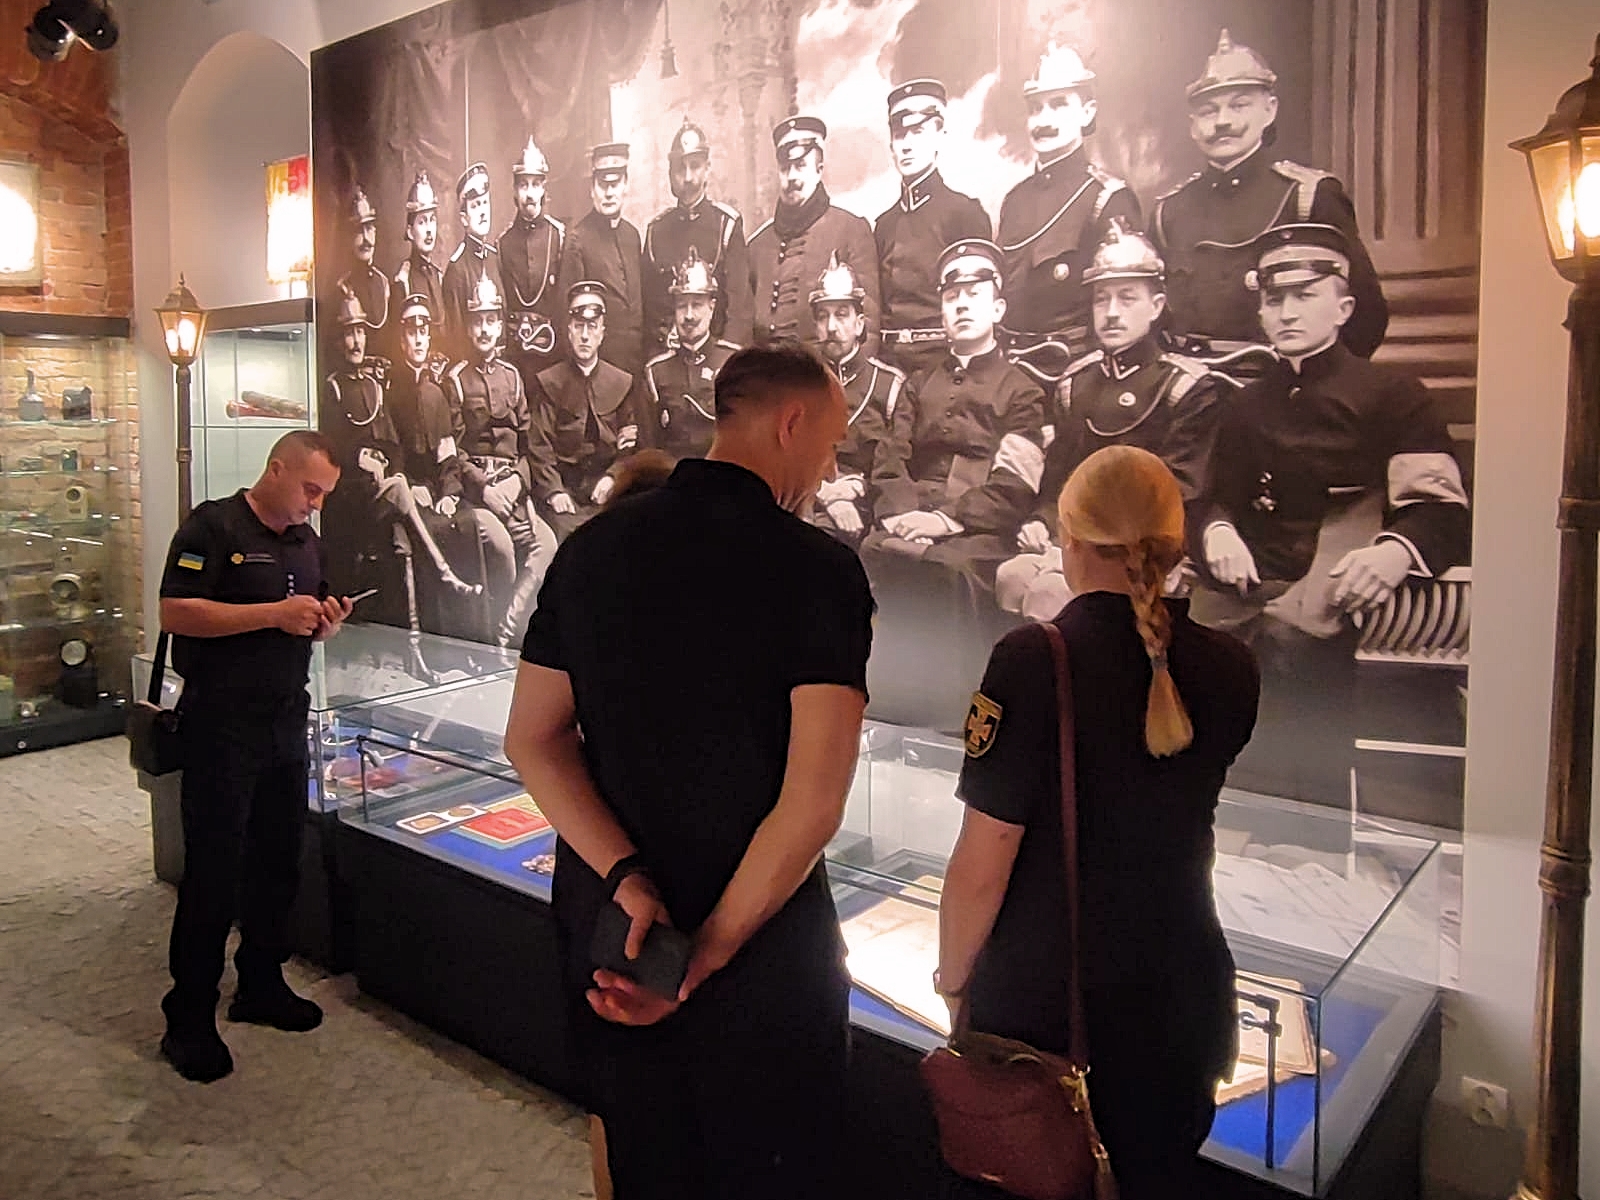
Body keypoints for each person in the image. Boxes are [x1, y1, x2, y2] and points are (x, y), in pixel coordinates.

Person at [503, 343, 873, 1199]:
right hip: (762, 949)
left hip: (621, 934)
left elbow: (533, 739)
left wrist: (626, 874)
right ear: (792, 423)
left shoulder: (589, 551)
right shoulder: (818, 570)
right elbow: (812, 804)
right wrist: (704, 958)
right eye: (831, 442)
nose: (830, 466)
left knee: (643, 1159)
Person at [937, 445, 1259, 1200]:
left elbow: (984, 862)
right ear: (1175, 545)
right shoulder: (1233, 667)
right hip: (1182, 1000)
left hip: (1049, 1010)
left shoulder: (1030, 660)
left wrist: (952, 981)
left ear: (1070, 540)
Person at [1189, 222, 1468, 804]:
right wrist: (1217, 531)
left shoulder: (1393, 394)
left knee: (1288, 645)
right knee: (1184, 643)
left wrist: (1394, 553)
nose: (1287, 312)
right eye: (1274, 300)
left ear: (1343, 308)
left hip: (1341, 572)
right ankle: (1213, 823)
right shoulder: (1245, 404)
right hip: (1250, 578)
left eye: (1305, 296)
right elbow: (1215, 496)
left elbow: (1438, 509)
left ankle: (1305, 833)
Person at [156, 430, 355, 1083]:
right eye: (311, 489)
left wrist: (323, 623)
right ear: (276, 470)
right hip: (221, 724)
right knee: (213, 873)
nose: (315, 504)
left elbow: (302, 615)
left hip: (285, 720)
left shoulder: (306, 541)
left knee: (278, 862)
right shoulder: (212, 526)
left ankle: (260, 983)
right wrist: (272, 615)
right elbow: (176, 612)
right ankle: (188, 1017)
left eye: (324, 494)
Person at [996, 223, 1224, 621]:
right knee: (1010, 577)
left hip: (1148, 547)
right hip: (1079, 538)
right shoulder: (1075, 384)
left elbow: (1181, 493)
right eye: (1102, 300)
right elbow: (1059, 477)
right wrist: (1041, 521)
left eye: (1127, 298)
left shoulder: (1184, 387)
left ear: (1156, 306)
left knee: (1052, 593)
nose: (1112, 312)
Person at [1152, 29, 1388, 360]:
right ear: (1193, 126)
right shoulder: (1168, 212)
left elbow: (1366, 317)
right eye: (1208, 111)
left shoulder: (1307, 197)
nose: (1222, 121)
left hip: (1279, 384)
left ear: (1269, 110)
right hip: (1186, 383)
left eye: (1239, 106)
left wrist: (1312, 383)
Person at [997, 44, 1139, 362]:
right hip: (1011, 371)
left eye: (1059, 104)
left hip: (1075, 369)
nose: (1043, 120)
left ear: (1087, 112)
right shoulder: (1015, 202)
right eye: (1035, 108)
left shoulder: (1108, 198)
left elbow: (1124, 312)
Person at [446, 273, 559, 646]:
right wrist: (484, 489)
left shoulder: (513, 377)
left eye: (491, 320)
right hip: (476, 496)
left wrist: (517, 481)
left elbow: (529, 446)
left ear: (499, 326)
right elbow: (453, 452)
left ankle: (506, 635)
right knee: (501, 548)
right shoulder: (456, 380)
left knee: (546, 546)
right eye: (478, 321)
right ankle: (494, 637)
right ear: (469, 327)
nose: (484, 329)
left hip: (513, 490)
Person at [873, 79, 992, 377]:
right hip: (890, 366)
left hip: (945, 366)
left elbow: (979, 304)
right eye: (900, 135)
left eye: (918, 132)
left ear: (940, 136)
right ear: (891, 145)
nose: (907, 144)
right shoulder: (884, 225)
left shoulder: (964, 213)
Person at [748, 115, 881, 346]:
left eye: (801, 166)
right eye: (785, 168)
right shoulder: (757, 245)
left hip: (822, 366)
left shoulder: (851, 230)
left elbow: (868, 328)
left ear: (819, 171)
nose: (792, 177)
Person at [527, 281, 645, 538]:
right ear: (569, 330)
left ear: (602, 332)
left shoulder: (622, 383)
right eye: (578, 326)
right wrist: (554, 491)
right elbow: (539, 447)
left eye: (592, 327)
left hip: (606, 489)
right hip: (564, 493)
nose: (584, 335)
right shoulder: (549, 383)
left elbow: (629, 446)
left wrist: (613, 477)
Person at [810, 252, 905, 545]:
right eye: (823, 316)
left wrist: (852, 489)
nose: (832, 326)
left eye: (842, 314)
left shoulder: (888, 385)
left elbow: (896, 467)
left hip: (866, 508)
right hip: (807, 497)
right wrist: (826, 493)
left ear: (860, 324)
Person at [642, 118, 754, 352]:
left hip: (718, 358)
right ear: (670, 174)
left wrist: (725, 359)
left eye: (695, 166)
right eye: (680, 169)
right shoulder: (657, 231)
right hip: (669, 358)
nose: (688, 178)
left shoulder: (726, 225)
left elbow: (740, 311)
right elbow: (649, 309)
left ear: (707, 169)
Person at [557, 143, 645, 381]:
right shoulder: (578, 239)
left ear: (626, 185)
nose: (609, 193)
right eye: (602, 185)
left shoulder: (632, 235)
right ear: (591, 189)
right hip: (600, 370)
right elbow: (567, 317)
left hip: (636, 364)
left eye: (615, 184)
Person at [642, 250, 740, 461]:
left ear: (711, 308)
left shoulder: (734, 363)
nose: (688, 316)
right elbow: (649, 448)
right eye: (681, 306)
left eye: (696, 305)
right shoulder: (656, 372)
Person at [499, 136, 567, 379]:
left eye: (535, 185)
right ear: (514, 191)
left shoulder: (559, 236)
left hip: (551, 354)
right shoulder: (503, 243)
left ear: (544, 189)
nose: (529, 194)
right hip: (515, 357)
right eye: (523, 185)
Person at [441, 162, 504, 362]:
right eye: (475, 206)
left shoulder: (495, 258)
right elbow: (456, 337)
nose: (483, 211)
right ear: (464, 219)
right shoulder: (456, 268)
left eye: (485, 203)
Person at [392, 171, 445, 339]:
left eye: (432, 220)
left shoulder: (439, 276)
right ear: (410, 231)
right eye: (422, 222)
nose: (429, 229)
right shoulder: (403, 281)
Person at [337, 185, 390, 343]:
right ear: (348, 238)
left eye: (369, 229)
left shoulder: (383, 282)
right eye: (359, 231)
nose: (366, 238)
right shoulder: (343, 287)